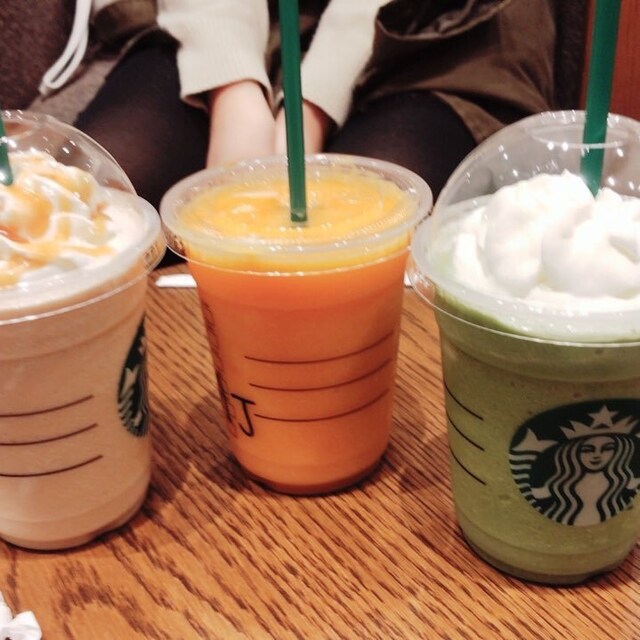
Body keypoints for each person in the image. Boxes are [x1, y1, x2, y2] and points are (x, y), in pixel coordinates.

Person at [37, 0, 556, 217]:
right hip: (222, 14)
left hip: (434, 23)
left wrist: (309, 105)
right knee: (91, 204)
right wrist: (232, 87)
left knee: (380, 219)